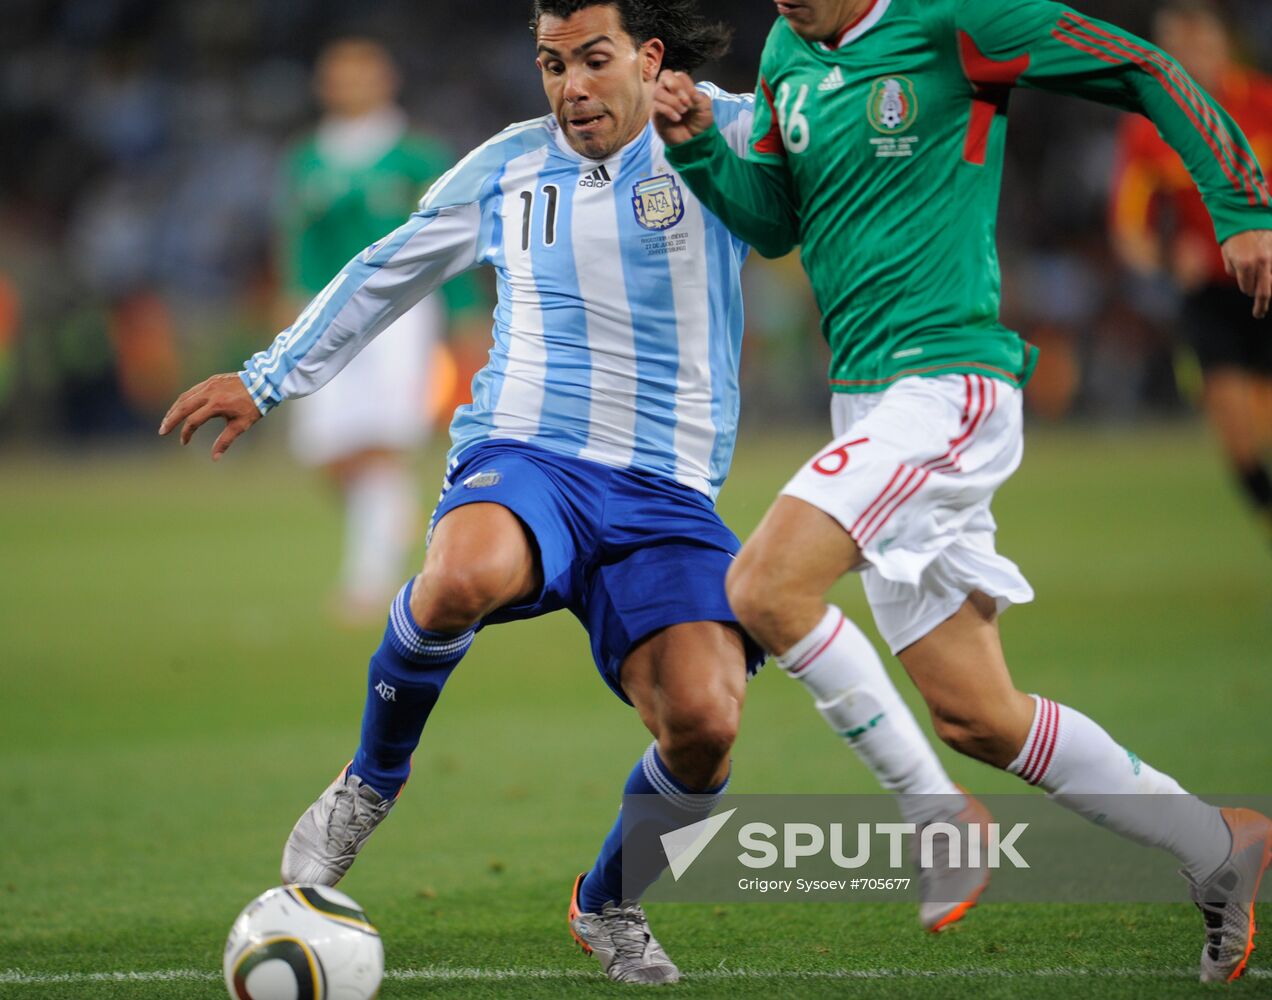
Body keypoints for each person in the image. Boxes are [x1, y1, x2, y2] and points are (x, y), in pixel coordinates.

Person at [161, 0, 1002, 980]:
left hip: (670, 491)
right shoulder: (510, 165)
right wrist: (267, 377)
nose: (571, 88)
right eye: (551, 64)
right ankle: (369, 781)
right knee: (462, 571)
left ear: (647, 57)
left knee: (706, 725)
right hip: (530, 450)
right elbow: (387, 268)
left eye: (593, 60)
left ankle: (608, 901)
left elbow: (855, 177)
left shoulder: (729, 128)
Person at [652, 0, 1272, 984]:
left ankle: (937, 819)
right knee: (978, 715)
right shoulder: (786, 49)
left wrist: (1240, 207)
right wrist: (696, 150)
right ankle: (1215, 842)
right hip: (865, 402)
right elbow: (775, 217)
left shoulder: (960, 19)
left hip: (947, 381)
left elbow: (1140, 66)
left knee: (766, 588)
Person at [277, 38, 485, 623]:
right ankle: (392, 525)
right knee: (325, 449)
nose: (350, 86)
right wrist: (291, 303)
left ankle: (369, 581)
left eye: (361, 75)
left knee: (384, 440)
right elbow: (298, 242)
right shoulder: (307, 160)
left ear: (385, 80)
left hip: (403, 314)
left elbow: (452, 236)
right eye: (339, 76)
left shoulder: (416, 155)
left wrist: (464, 309)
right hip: (324, 313)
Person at [1111, 0, 1272, 547]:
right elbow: (1128, 231)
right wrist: (1165, 258)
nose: (1191, 60)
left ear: (1222, 45)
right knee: (1236, 433)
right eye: (1176, 52)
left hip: (1270, 283)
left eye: (1199, 46)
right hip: (1208, 296)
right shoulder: (1147, 130)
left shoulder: (1263, 105)